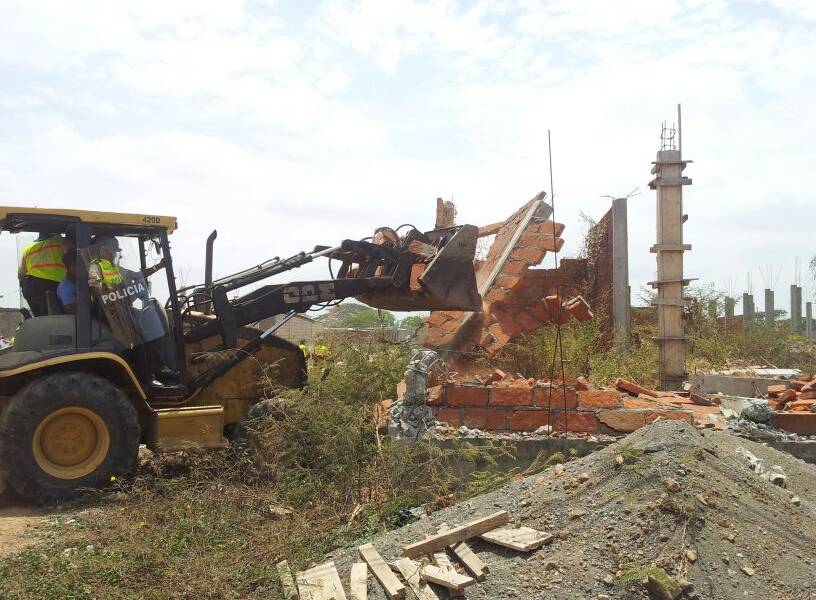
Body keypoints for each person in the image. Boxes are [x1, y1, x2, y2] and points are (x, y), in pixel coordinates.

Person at [18, 232, 73, 316]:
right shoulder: (61, 241)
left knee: (40, 317)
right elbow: (72, 258)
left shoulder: (28, 249)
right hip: (52, 286)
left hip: (30, 288)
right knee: (56, 317)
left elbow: (21, 274)